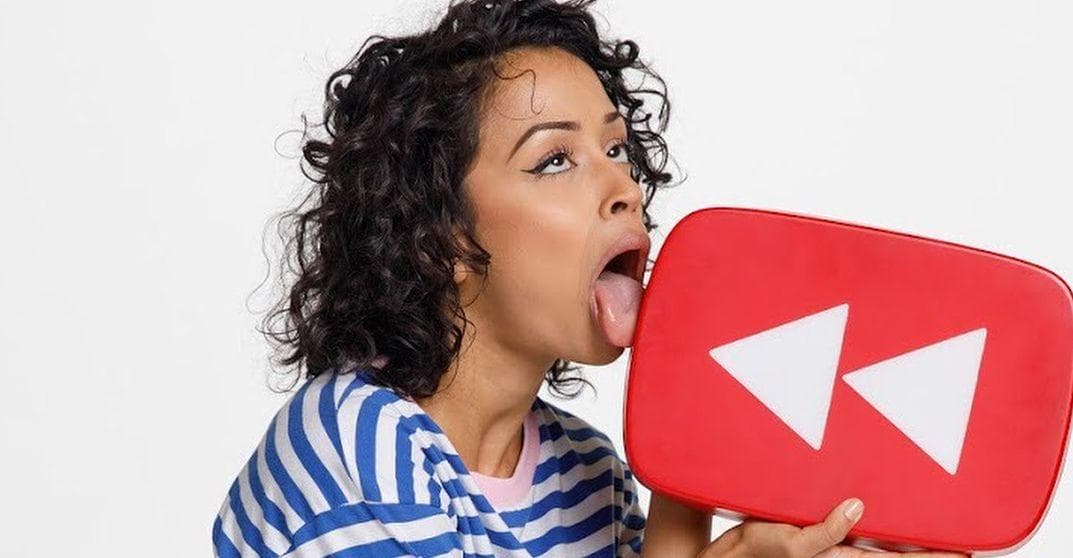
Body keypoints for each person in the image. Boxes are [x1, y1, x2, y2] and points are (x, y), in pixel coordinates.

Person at [211, 1, 970, 556]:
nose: (623, 188)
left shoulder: (590, 476)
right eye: (554, 161)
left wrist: (696, 455)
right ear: (436, 238)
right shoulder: (352, 447)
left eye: (616, 150)